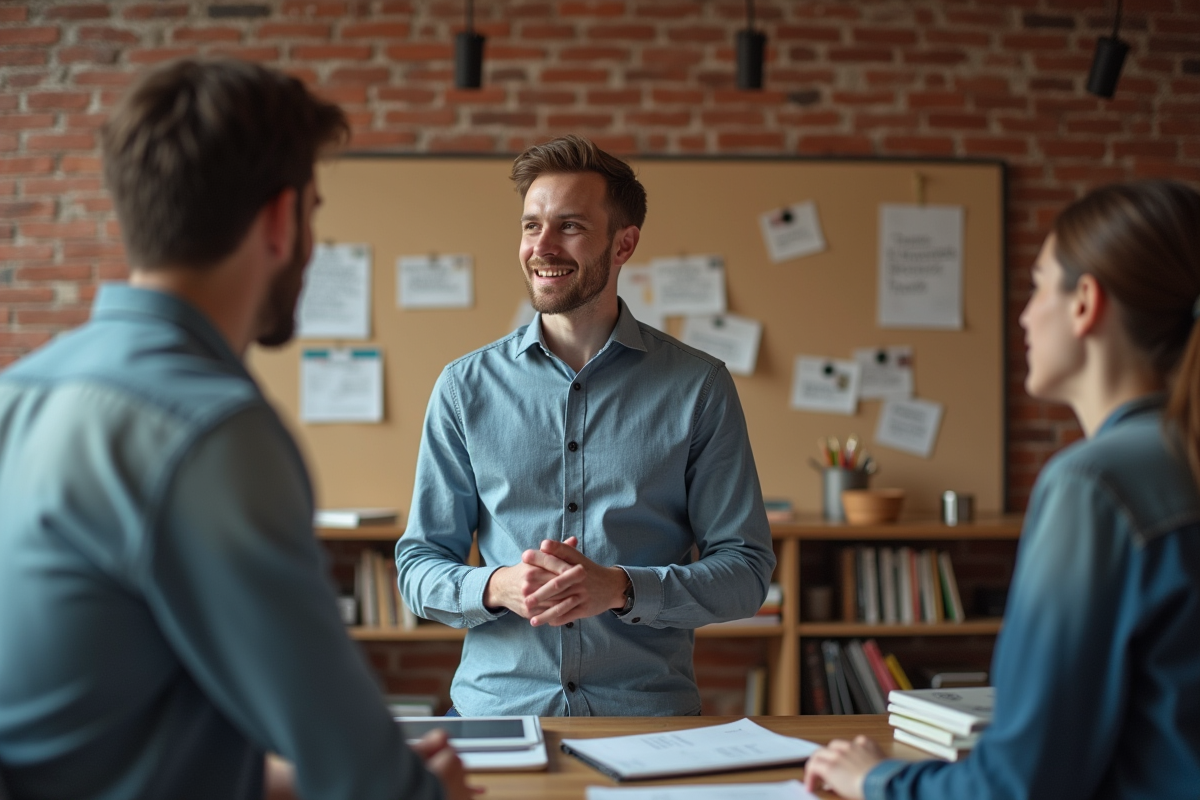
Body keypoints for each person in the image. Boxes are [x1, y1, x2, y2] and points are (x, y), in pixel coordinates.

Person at [0, 58, 472, 800]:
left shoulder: (17, 392)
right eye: (315, 210)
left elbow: (103, 731)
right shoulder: (212, 433)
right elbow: (364, 779)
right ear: (282, 220)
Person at [804, 179, 1200, 799]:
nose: (1024, 313)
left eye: (1040, 283)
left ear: (1084, 302)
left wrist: (875, 778)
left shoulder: (1094, 483)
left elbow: (1020, 785)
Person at [396, 135, 776, 717]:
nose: (540, 246)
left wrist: (622, 588)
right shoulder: (463, 388)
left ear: (624, 244)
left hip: (645, 720)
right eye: (530, 226)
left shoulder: (699, 386)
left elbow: (746, 572)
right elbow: (419, 566)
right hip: (501, 716)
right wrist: (499, 587)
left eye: (568, 226)